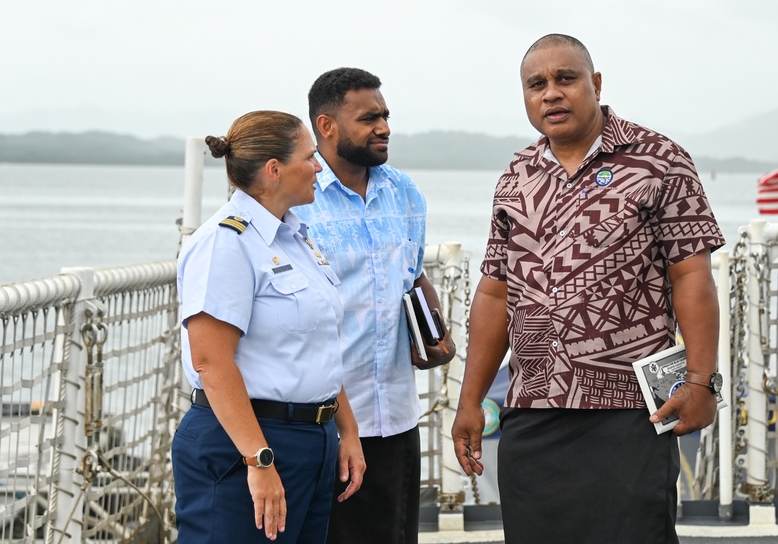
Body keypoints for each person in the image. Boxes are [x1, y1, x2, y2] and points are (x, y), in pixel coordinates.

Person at [450, 34, 725, 544]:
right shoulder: (517, 177)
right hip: (533, 407)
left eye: (565, 79)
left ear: (595, 84)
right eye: (537, 85)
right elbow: (495, 293)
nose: (551, 93)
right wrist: (469, 401)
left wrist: (703, 381)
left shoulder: (659, 160)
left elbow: (692, 276)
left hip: (634, 410)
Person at [173, 110, 365, 543]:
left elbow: (316, 348)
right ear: (274, 170)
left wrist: (346, 430)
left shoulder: (294, 239)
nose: (320, 167)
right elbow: (210, 361)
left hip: (311, 442)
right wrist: (259, 461)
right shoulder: (226, 243)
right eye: (311, 157)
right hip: (245, 443)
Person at [299, 67, 455, 544]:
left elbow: (412, 273)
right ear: (327, 126)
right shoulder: (296, 198)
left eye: (385, 116)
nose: (384, 127)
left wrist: (435, 332)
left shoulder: (403, 192)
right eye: (369, 118)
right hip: (321, 419)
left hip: (395, 414)